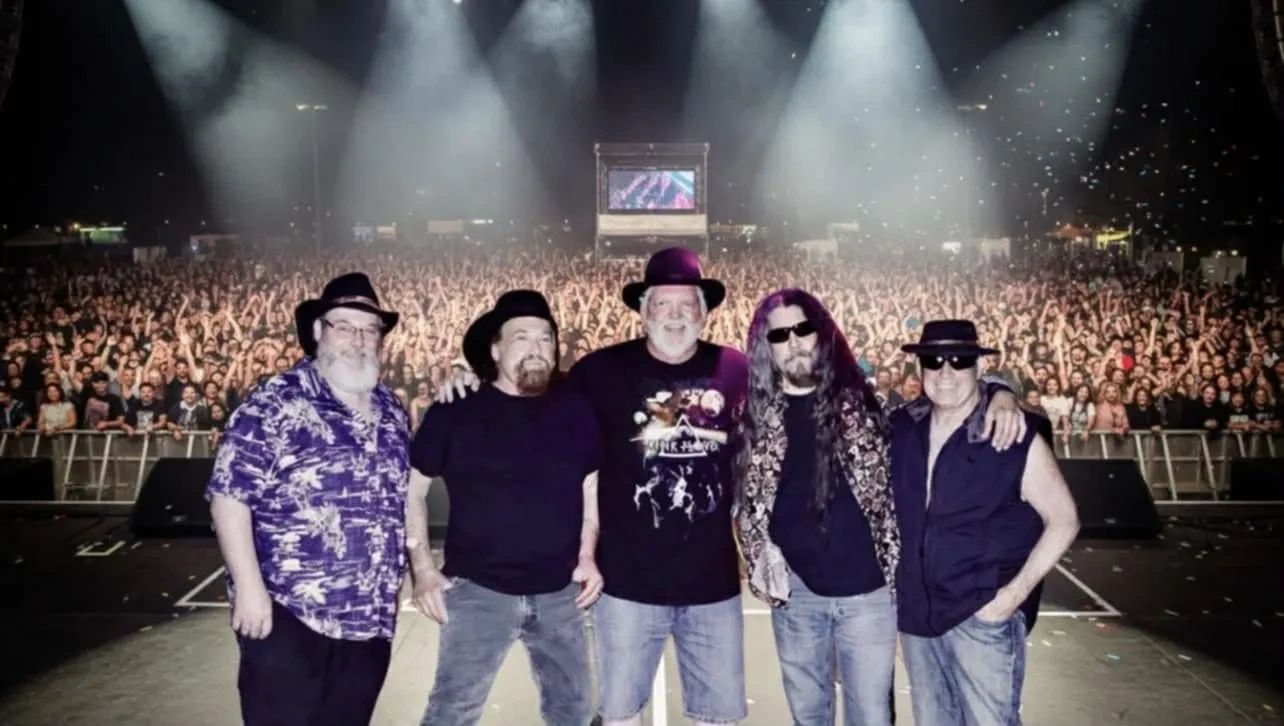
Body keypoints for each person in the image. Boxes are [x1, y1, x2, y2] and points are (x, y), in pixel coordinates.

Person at [735, 290, 1026, 726]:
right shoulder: (753, 417)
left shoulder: (867, 405)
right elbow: (744, 502)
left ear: (821, 334)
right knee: (807, 716)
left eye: (802, 329)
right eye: (779, 335)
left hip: (868, 598)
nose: (793, 342)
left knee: (870, 717)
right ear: (766, 347)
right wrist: (759, 551)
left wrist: (999, 391)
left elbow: (948, 394)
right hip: (796, 595)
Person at [205, 273, 410, 726]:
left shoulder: (392, 410)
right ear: (318, 331)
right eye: (344, 326)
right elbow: (228, 497)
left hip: (369, 621)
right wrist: (250, 590)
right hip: (289, 615)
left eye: (370, 329)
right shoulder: (275, 401)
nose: (358, 340)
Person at [408, 290, 603, 726]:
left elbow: (589, 486)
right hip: (478, 593)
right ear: (495, 349)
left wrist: (588, 556)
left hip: (560, 595)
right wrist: (422, 569)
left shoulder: (575, 409)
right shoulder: (455, 410)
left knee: (572, 712)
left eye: (546, 338)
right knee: (451, 713)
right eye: (522, 337)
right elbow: (412, 490)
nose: (537, 348)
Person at [891, 320, 1080, 726]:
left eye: (959, 360)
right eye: (933, 361)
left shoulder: (1013, 432)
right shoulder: (902, 427)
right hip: (917, 619)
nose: (945, 372)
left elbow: (1064, 520)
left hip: (982, 616)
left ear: (978, 367)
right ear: (920, 368)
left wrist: (1011, 598)